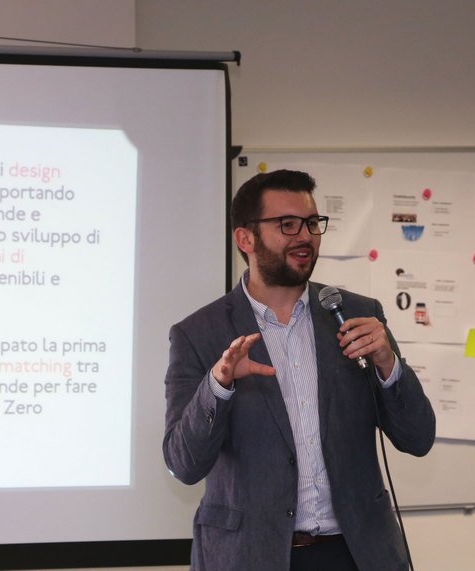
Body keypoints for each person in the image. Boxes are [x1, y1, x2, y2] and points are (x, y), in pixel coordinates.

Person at [162, 169, 435, 571]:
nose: (305, 236)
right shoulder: (199, 334)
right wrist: (218, 386)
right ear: (245, 239)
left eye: (311, 223)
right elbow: (183, 464)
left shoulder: (356, 316)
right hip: (249, 555)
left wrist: (388, 365)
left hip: (356, 553)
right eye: (287, 225)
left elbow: (418, 437)